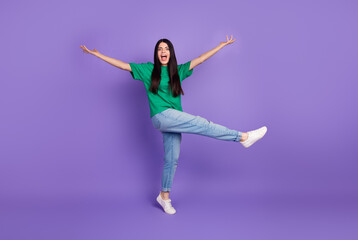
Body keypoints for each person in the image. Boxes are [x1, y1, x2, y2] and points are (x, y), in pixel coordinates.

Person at [80, 35, 267, 215]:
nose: (163, 51)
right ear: (156, 53)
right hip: (161, 117)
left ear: (171, 53)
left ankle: (164, 197)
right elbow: (122, 65)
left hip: (173, 121)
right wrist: (97, 54)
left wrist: (220, 46)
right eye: (160, 49)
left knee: (172, 159)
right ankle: (243, 137)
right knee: (203, 124)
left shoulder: (177, 71)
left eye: (166, 48)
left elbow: (200, 59)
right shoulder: (147, 70)